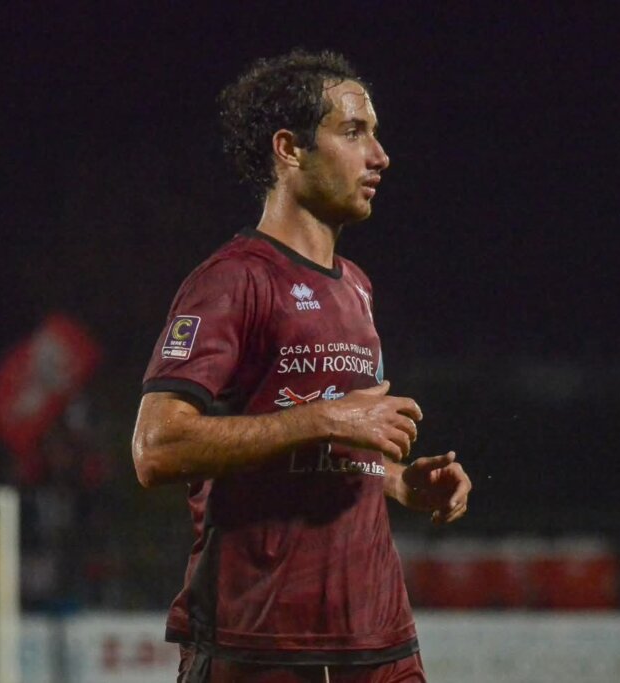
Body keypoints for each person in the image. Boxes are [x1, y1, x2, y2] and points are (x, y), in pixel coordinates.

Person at [132, 50, 472, 683]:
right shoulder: (232, 281)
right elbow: (156, 448)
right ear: (289, 149)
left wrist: (397, 480)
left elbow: (325, 446)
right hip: (262, 644)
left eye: (375, 134)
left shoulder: (357, 286)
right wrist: (327, 418)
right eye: (353, 132)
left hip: (378, 639)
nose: (379, 156)